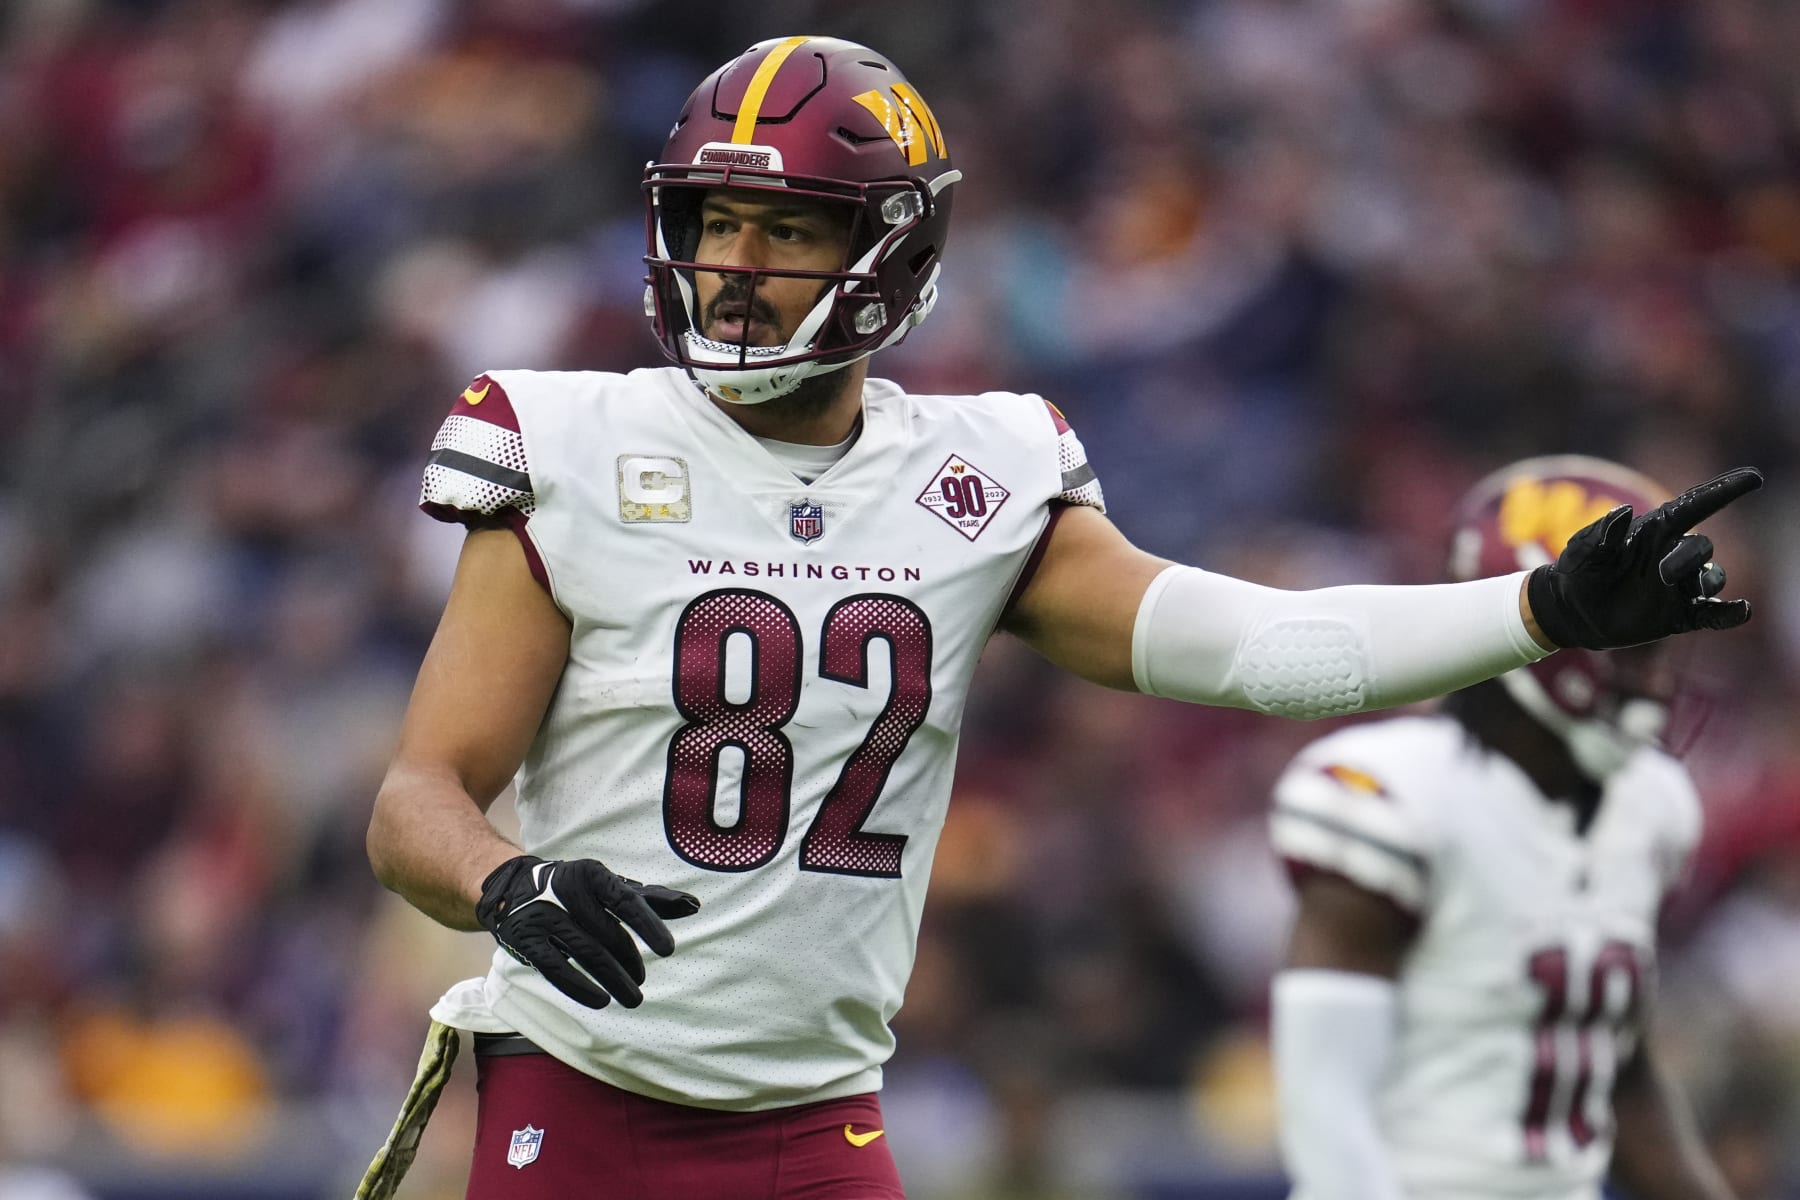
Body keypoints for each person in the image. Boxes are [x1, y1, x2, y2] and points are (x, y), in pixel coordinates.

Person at [357, 36, 1760, 1200]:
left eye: (785, 226)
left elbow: (1260, 650)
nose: (734, 262)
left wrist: (1535, 609)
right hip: (580, 1102)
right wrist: (508, 883)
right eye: (714, 220)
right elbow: (417, 799)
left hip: (821, 1126)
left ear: (890, 251)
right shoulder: (576, 440)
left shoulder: (976, 476)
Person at [1269, 456, 1741, 1200]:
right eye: (1637, 647)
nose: (1656, 681)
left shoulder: (1652, 806)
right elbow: (1327, 1112)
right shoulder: (1392, 797)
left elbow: (1613, 1071)